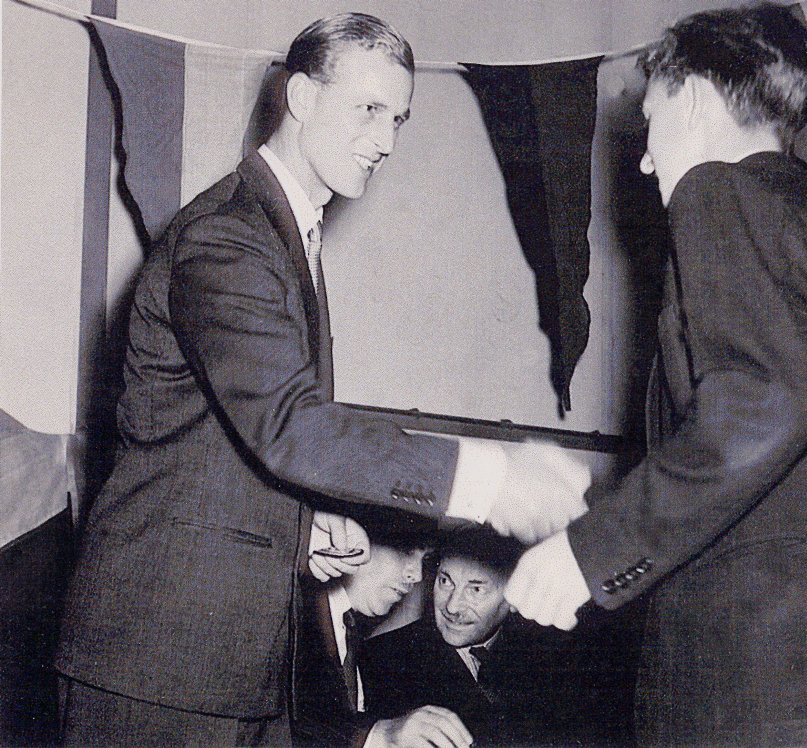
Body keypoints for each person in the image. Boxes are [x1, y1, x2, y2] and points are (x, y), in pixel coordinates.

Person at [55, 12, 588, 745]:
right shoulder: (229, 236)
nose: (387, 140)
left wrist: (302, 525)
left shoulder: (282, 235)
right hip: (158, 665)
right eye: (368, 109)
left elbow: (213, 445)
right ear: (300, 97)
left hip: (226, 667)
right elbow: (290, 426)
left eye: (399, 118)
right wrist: (493, 477)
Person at [504, 5, 807, 745]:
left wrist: (590, 552)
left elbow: (766, 401)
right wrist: (600, 503)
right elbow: (799, 464)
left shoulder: (720, 192)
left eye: (652, 123)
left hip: (780, 695)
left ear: (692, 98)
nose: (646, 160)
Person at [360, 530, 581, 747]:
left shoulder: (554, 657)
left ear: (514, 595)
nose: (452, 606)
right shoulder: (383, 658)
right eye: (445, 581)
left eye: (475, 589)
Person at [293, 511, 473, 748]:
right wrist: (378, 735)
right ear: (351, 536)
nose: (416, 575)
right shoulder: (294, 616)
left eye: (425, 560)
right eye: (406, 551)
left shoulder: (352, 632)